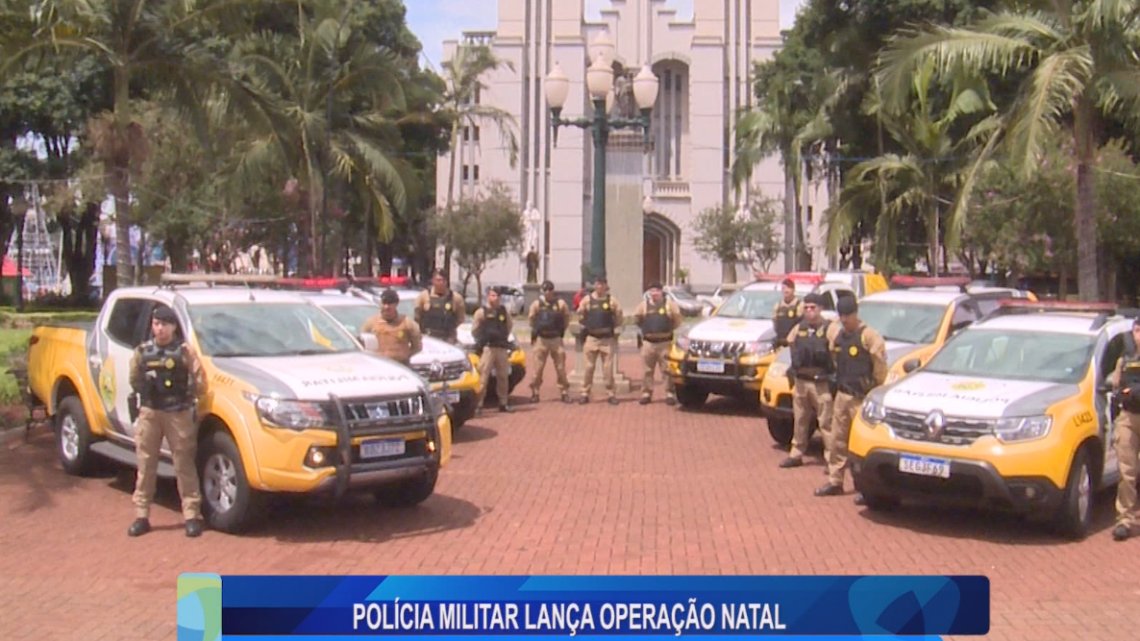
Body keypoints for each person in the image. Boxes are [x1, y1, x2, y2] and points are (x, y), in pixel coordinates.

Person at [127, 305, 206, 538]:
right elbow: (134, 379)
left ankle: (192, 515)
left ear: (173, 326)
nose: (159, 329)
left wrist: (190, 396)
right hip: (151, 412)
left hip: (178, 412)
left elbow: (200, 381)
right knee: (146, 464)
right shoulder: (142, 352)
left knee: (184, 464)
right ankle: (141, 515)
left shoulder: (184, 352)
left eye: (164, 324)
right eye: (156, 324)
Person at [816, 296, 886, 497]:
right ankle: (835, 481)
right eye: (842, 316)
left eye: (848, 315)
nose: (845, 320)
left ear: (856, 314)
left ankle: (864, 487)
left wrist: (874, 389)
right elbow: (835, 359)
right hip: (843, 395)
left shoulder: (869, 336)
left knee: (861, 444)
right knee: (837, 440)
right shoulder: (838, 335)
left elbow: (880, 367)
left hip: (861, 399)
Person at [780, 293, 835, 469]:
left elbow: (836, 353)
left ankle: (831, 459)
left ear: (820, 309)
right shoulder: (799, 328)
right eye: (806, 308)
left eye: (813, 308)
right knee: (800, 419)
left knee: (826, 423)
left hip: (821, 383)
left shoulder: (830, 329)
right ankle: (796, 453)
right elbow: (790, 343)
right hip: (801, 381)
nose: (809, 311)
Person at [1109, 318, 1140, 542]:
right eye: (1138, 330)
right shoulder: (1125, 360)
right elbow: (1115, 386)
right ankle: (1125, 520)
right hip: (1128, 417)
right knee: (1126, 471)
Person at [576, 274, 623, 405]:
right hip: (592, 338)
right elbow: (580, 315)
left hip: (607, 340)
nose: (600, 286)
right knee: (588, 368)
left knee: (608, 369)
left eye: (602, 284)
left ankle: (611, 393)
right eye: (598, 284)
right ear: (595, 285)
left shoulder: (612, 301)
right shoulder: (587, 300)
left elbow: (619, 317)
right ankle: (585, 393)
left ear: (606, 286)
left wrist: (614, 328)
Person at [633, 282, 683, 405]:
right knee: (647, 370)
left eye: (656, 290)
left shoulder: (670, 305)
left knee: (667, 370)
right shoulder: (643, 306)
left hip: (665, 343)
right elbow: (637, 319)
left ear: (661, 292)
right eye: (652, 291)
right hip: (648, 343)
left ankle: (669, 393)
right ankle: (646, 393)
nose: (654, 293)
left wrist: (668, 330)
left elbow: (677, 321)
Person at [527, 280, 572, 403]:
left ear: (553, 290)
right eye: (545, 290)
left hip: (556, 339)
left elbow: (567, 318)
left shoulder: (560, 304)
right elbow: (531, 320)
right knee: (538, 369)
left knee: (561, 368)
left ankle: (564, 391)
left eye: (549, 290)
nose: (547, 292)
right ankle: (535, 392)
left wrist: (562, 330)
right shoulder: (537, 304)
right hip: (541, 339)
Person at [472, 286, 514, 413]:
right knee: (483, 376)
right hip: (488, 348)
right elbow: (475, 329)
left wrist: (502, 337)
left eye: (497, 296)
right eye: (493, 295)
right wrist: (482, 340)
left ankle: (503, 402)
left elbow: (509, 326)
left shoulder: (503, 312)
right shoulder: (481, 312)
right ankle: (478, 404)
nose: (495, 298)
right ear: (488, 297)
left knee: (503, 376)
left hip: (501, 347)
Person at [361, 289, 423, 365]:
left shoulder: (407, 323)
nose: (387, 307)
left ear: (396, 304)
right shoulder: (371, 323)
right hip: (378, 365)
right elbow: (362, 344)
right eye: (384, 303)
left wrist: (403, 355)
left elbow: (417, 346)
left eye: (390, 303)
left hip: (401, 365)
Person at [414, 269, 465, 344]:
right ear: (433, 281)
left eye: (443, 280)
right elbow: (417, 317)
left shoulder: (456, 298)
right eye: (438, 280)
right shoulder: (423, 296)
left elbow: (460, 319)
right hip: (428, 338)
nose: (441, 283)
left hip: (448, 339)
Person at [772, 278, 803, 348]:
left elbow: (802, 324)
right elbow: (775, 322)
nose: (785, 290)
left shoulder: (799, 305)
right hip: (780, 341)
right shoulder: (778, 305)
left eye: (788, 288)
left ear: (793, 290)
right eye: (783, 288)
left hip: (795, 343)